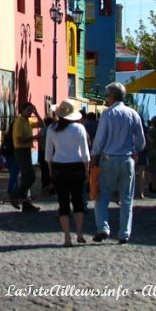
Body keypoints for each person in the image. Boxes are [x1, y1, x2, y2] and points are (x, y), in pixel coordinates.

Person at [91, 82, 145, 245]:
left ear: (112, 96)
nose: (106, 98)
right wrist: (135, 150)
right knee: (127, 199)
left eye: (107, 95)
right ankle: (124, 233)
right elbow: (141, 140)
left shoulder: (108, 114)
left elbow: (100, 139)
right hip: (127, 159)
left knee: (102, 196)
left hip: (109, 158)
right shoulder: (133, 113)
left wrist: (94, 155)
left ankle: (103, 228)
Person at [45, 101, 91, 247]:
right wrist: (87, 171)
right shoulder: (79, 128)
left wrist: (51, 170)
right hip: (77, 167)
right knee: (78, 202)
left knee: (63, 203)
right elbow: (85, 154)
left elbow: (48, 155)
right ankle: (79, 233)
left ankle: (67, 238)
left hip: (59, 167)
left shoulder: (52, 129)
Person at [11, 102, 40, 212]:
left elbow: (42, 125)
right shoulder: (19, 122)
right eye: (28, 110)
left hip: (27, 151)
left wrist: (36, 113)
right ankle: (15, 195)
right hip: (20, 151)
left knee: (25, 177)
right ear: (22, 110)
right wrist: (34, 137)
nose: (30, 112)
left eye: (31, 110)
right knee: (31, 176)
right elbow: (19, 139)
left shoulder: (28, 121)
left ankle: (25, 204)